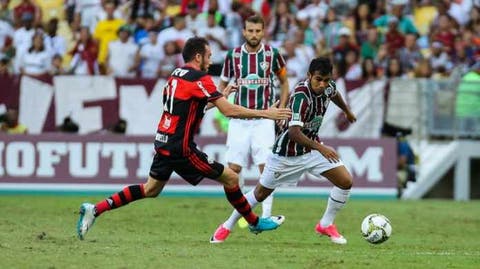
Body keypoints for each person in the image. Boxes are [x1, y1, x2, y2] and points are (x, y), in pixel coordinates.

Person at [76, 37, 292, 240]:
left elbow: (190, 106)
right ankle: (254, 222)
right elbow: (228, 112)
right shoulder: (200, 78)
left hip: (163, 141)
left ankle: (95, 209)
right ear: (198, 57)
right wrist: (266, 113)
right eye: (208, 55)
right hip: (182, 148)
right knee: (232, 179)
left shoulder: (176, 74)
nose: (210, 59)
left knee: (150, 189)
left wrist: (220, 96)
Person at [210, 57, 357, 244]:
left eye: (326, 80)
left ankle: (326, 224)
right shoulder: (300, 97)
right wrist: (322, 148)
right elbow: (294, 133)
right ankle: (226, 226)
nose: (322, 84)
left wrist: (346, 110)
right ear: (309, 75)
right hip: (286, 154)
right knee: (259, 194)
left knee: (345, 181)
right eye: (318, 79)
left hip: (311, 149)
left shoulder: (328, 86)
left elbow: (334, 93)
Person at [219, 14, 290, 222]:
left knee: (266, 168)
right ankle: (244, 211)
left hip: (264, 120)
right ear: (244, 31)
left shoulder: (273, 54)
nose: (254, 34)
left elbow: (284, 82)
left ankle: (266, 214)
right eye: (250, 30)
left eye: (258, 31)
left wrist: (281, 110)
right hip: (239, 120)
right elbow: (221, 87)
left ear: (263, 31)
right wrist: (224, 96)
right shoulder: (233, 56)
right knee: (233, 170)